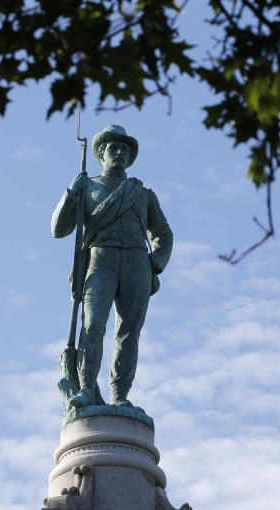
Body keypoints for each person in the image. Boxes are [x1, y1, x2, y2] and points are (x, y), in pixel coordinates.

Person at [52, 124, 173, 408]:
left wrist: (158, 258)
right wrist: (72, 192)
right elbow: (59, 228)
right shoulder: (88, 187)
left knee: (129, 333)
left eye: (124, 149)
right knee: (92, 325)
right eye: (112, 148)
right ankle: (85, 388)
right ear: (101, 155)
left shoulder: (142, 193)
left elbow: (164, 233)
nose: (118, 152)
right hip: (100, 260)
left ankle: (119, 396)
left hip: (136, 263)